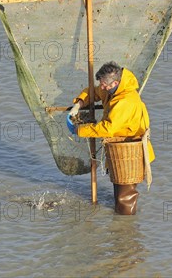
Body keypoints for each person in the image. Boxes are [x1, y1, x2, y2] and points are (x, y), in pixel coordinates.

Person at [66, 61, 155, 215]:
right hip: (119, 148)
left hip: (131, 151)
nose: (101, 88)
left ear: (115, 82)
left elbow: (108, 128)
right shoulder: (113, 90)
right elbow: (93, 92)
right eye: (101, 84)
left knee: (125, 195)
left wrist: (80, 129)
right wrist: (79, 104)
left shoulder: (125, 101)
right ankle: (119, 224)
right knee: (119, 186)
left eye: (104, 85)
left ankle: (125, 230)